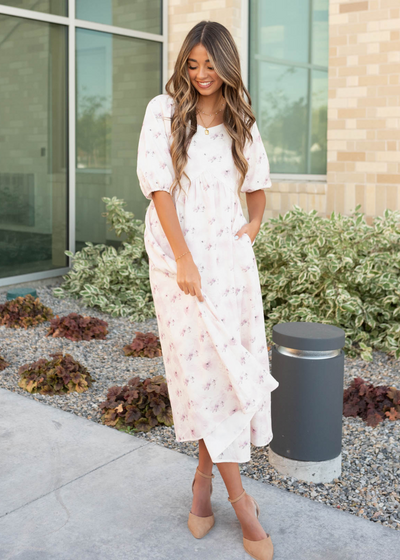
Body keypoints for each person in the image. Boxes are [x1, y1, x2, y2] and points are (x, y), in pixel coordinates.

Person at [136, 20, 279, 560]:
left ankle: (202, 482)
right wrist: (185, 259)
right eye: (192, 65)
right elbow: (158, 186)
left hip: (229, 261)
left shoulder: (242, 119)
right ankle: (242, 503)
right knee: (199, 369)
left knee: (223, 372)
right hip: (178, 261)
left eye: (210, 65)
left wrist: (254, 226)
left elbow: (259, 184)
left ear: (227, 65)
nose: (200, 75)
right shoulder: (163, 111)